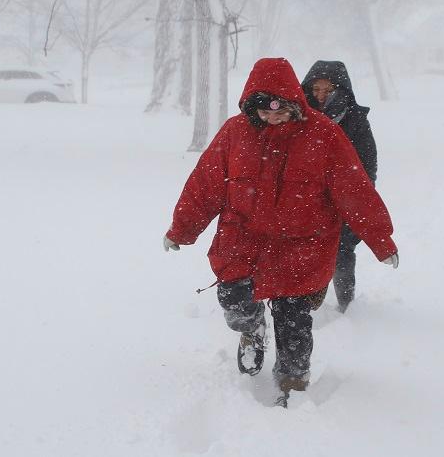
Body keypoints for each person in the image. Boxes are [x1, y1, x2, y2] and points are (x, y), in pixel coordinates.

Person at [162, 58, 398, 398]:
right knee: (233, 301)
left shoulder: (323, 135)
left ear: (294, 104)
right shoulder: (234, 133)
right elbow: (205, 186)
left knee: (294, 320)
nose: (272, 118)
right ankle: (252, 329)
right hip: (243, 240)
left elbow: (354, 188)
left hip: (302, 245)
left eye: (281, 111)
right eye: (264, 112)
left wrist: (381, 239)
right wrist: (182, 228)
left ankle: (293, 381)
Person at [301, 60, 379, 313]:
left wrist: (361, 198)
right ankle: (309, 302)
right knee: (306, 249)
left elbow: (367, 162)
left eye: (328, 90)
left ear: (340, 89)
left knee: (342, 250)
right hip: (308, 197)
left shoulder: (355, 118)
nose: (321, 96)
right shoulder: (300, 116)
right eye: (316, 90)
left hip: (345, 197)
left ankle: (346, 304)